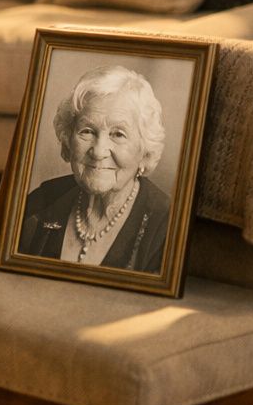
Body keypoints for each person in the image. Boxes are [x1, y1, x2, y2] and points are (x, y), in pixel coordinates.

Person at [17, 65, 170, 273]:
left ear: (145, 151)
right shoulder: (39, 205)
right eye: (87, 131)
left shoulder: (167, 227)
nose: (98, 151)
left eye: (118, 134)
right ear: (68, 141)